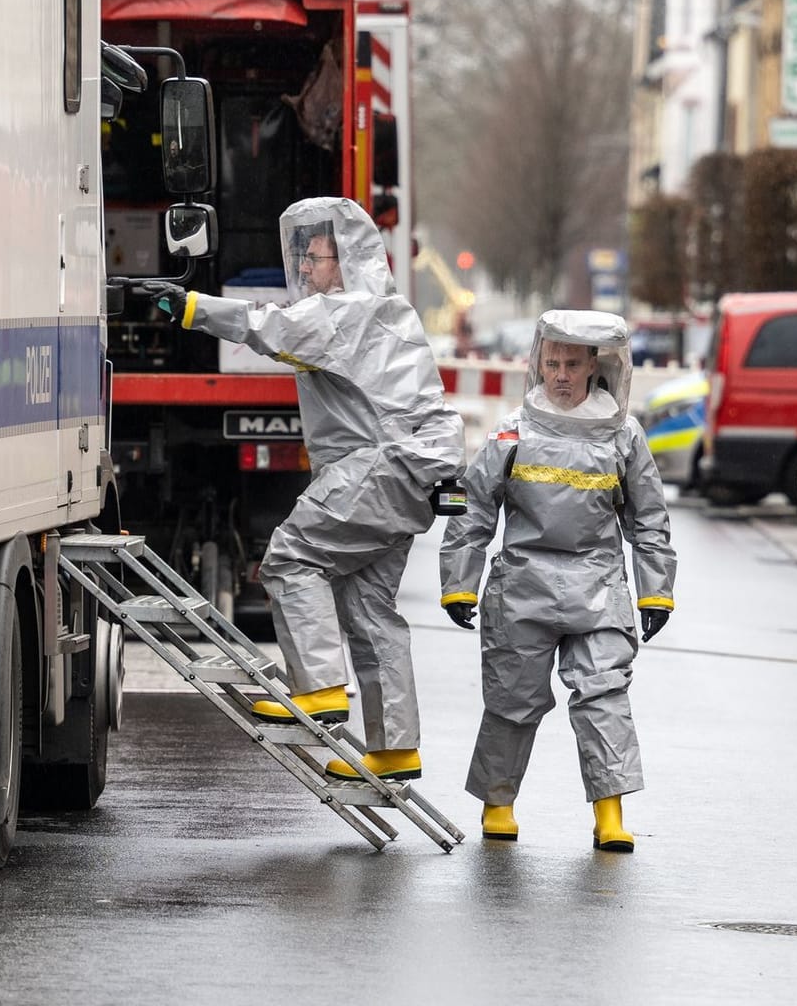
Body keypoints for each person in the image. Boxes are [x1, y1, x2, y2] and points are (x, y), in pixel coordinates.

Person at [164, 197, 463, 783]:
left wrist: (193, 306)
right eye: (300, 256)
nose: (304, 269)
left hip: (374, 470)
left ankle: (319, 690)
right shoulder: (385, 310)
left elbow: (267, 326)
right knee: (370, 610)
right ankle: (395, 748)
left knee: (289, 559)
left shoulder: (347, 310)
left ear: (347, 259)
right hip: (407, 473)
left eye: (315, 256)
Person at [439, 310, 676, 852]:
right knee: (511, 698)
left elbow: (649, 517)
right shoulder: (513, 431)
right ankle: (498, 804)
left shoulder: (622, 435)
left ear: (595, 364)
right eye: (553, 363)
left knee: (604, 695)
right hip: (524, 584)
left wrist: (655, 589)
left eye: (573, 363)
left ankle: (610, 816)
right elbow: (475, 508)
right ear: (538, 363)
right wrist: (459, 581)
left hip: (597, 585)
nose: (562, 374)